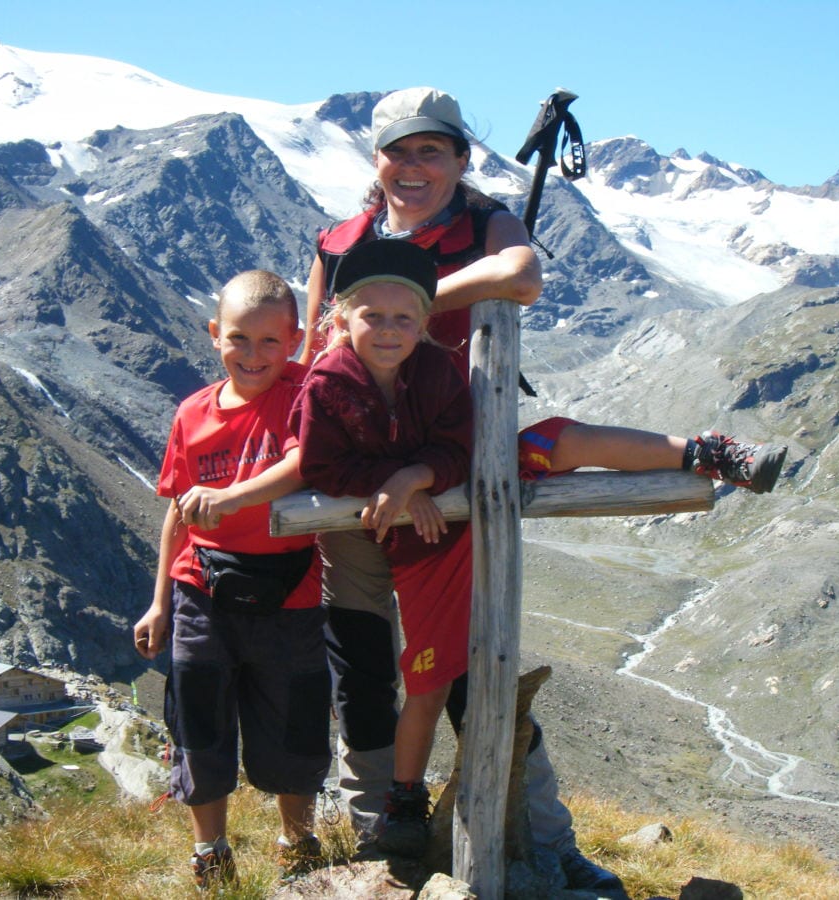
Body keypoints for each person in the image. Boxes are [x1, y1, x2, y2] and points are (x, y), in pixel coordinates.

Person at [300, 86, 786, 896]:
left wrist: (408, 296)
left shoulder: (484, 223)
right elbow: (318, 351)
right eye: (399, 151)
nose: (414, 167)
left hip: (455, 463)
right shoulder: (337, 242)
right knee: (361, 668)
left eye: (433, 151)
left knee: (467, 668)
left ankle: (542, 843)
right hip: (358, 485)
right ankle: (377, 838)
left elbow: (520, 276)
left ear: (460, 158)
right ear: (375, 158)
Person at [132, 270, 331, 891]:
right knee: (199, 718)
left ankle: (297, 845)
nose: (254, 356)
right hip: (200, 590)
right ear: (215, 334)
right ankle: (210, 851)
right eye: (239, 339)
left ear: (296, 340)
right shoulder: (192, 413)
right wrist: (159, 600)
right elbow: (176, 510)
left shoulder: (305, 392)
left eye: (272, 342)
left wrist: (231, 496)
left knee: (294, 722)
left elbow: (303, 464)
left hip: (290, 591)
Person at [293, 239, 473, 858]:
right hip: (355, 536)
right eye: (373, 316)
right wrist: (397, 484)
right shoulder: (326, 383)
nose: (389, 331)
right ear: (341, 319)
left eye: (405, 319)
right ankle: (376, 812)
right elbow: (320, 466)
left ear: (426, 324)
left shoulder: (437, 373)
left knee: (435, 661)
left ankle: (408, 797)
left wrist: (416, 479)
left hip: (425, 531)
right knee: (365, 663)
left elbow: (459, 446)